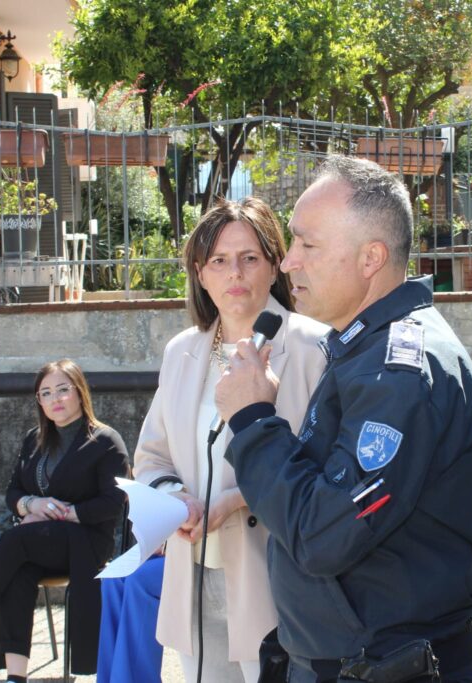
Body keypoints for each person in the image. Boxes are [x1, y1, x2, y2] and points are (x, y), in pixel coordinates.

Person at [215, 156, 472, 682]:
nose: (288, 262)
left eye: (308, 245)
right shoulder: (366, 349)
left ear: (372, 258)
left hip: (386, 666)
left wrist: (252, 420)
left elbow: (325, 534)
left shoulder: (397, 373)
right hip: (355, 657)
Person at [121, 197, 327, 683]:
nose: (234, 272)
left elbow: (322, 466)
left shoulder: (313, 347)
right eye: (218, 260)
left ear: (275, 265)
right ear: (200, 273)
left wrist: (233, 500)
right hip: (193, 575)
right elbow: (152, 455)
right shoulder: (181, 351)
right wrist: (175, 498)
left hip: (274, 574)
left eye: (249, 257)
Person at [0, 359, 129, 681]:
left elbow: (114, 502)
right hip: (36, 544)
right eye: (46, 393)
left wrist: (64, 513)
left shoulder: (104, 440)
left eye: (63, 390)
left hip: (84, 542)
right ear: (39, 401)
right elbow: (13, 492)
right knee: (17, 574)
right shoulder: (35, 438)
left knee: (15, 540)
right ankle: (15, 677)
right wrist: (33, 504)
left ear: (79, 392)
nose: (55, 399)